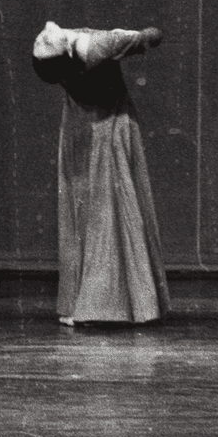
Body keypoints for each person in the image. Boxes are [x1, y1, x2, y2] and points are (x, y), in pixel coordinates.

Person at [32, 21, 168, 325]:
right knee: (80, 213)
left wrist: (139, 38)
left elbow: (151, 35)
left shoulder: (99, 44)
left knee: (107, 211)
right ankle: (82, 300)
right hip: (78, 128)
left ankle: (106, 305)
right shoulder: (52, 52)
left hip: (109, 125)